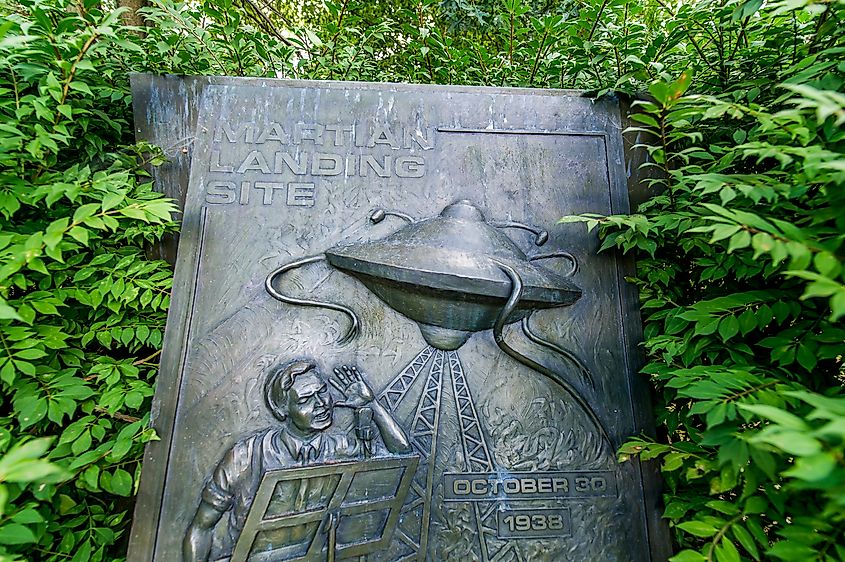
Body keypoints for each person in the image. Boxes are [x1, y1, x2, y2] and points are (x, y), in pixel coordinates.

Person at [183, 360, 411, 561]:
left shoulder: (342, 448)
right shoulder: (246, 455)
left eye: (322, 392)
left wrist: (372, 405)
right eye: (305, 400)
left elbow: (401, 454)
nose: (321, 403)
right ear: (282, 409)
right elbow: (201, 526)